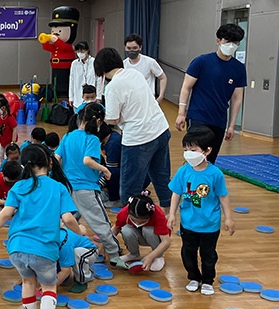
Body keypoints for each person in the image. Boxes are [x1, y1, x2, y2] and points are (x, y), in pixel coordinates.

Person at [0, 144, 81, 309]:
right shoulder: (58, 187)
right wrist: (80, 231)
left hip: (17, 248)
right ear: (49, 163)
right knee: (49, 286)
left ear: (24, 165)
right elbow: (68, 219)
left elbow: (6, 214)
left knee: (27, 283)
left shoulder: (18, 186)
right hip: (44, 249)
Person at [94, 47, 172, 210]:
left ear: (100, 69)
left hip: (138, 138)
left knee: (129, 186)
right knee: (161, 177)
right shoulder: (134, 74)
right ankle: (168, 214)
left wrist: (104, 116)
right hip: (161, 129)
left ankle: (131, 223)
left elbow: (113, 119)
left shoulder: (113, 86)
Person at [167, 127, 235, 296]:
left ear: (207, 151)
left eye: (193, 150)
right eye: (186, 150)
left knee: (208, 255)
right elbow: (176, 193)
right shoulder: (183, 171)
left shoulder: (215, 174)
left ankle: (207, 280)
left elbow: (223, 196)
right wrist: (171, 214)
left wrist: (228, 218)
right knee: (187, 252)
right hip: (188, 223)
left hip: (209, 225)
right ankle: (193, 277)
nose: (188, 153)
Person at [56, 102, 122, 268]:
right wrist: (104, 170)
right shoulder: (92, 139)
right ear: (99, 121)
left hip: (68, 189)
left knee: (67, 222)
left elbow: (56, 159)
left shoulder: (67, 136)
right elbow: (87, 160)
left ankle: (61, 250)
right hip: (86, 190)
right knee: (101, 223)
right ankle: (114, 254)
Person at [175, 23, 246, 164]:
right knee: (195, 157)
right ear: (218, 40)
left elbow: (237, 98)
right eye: (228, 41)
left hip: (219, 120)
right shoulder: (201, 62)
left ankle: (205, 186)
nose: (231, 46)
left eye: (235, 43)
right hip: (198, 117)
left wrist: (231, 125)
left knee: (210, 159)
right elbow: (186, 87)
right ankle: (187, 185)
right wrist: (181, 113)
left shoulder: (239, 68)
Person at [112, 191, 170, 272]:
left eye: (142, 221)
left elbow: (166, 242)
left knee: (148, 230)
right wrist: (103, 245)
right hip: (138, 236)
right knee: (126, 229)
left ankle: (158, 257)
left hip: (154, 238)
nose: (138, 223)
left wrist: (150, 257)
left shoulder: (158, 214)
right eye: (134, 220)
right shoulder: (124, 213)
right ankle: (134, 254)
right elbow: (114, 230)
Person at [123, 34, 167, 104]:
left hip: (148, 101)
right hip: (130, 102)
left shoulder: (150, 62)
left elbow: (163, 77)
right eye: (129, 48)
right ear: (125, 48)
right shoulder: (123, 65)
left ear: (140, 47)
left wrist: (161, 96)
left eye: (134, 48)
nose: (131, 51)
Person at [58, 226, 98, 293]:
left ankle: (82, 282)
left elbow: (66, 270)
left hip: (89, 251)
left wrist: (51, 288)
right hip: (69, 250)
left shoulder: (64, 243)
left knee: (77, 253)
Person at [69, 41, 102, 111]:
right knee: (78, 118)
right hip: (78, 97)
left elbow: (99, 80)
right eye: (78, 51)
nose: (80, 53)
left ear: (87, 50)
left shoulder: (94, 62)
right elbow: (72, 81)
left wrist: (99, 96)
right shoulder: (74, 63)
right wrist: (71, 97)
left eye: (82, 50)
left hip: (92, 97)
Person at [0, 94, 18, 166]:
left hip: (9, 142)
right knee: (0, 156)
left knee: (7, 157)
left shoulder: (10, 118)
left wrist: (13, 142)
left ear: (3, 108)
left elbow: (14, 129)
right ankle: (2, 169)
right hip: (2, 142)